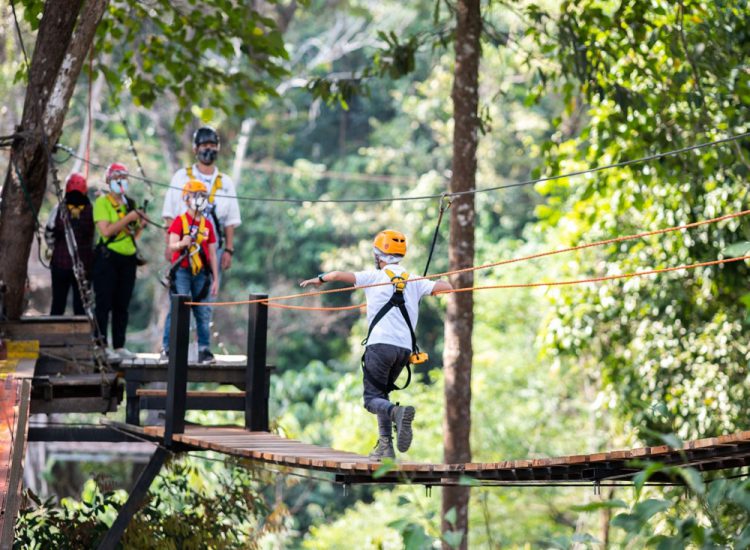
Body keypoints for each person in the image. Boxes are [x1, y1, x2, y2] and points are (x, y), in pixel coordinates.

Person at [300, 230, 452, 460]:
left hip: (380, 347)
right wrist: (433, 282)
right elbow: (446, 287)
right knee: (382, 395)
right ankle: (385, 448)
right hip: (404, 351)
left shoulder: (373, 276)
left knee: (372, 400)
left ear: (379, 255)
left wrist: (319, 279)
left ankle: (397, 413)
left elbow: (338, 275)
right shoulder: (415, 280)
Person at [161, 126, 241, 272]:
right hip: (182, 247)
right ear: (195, 149)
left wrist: (228, 250)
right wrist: (169, 245)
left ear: (218, 149)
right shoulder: (181, 177)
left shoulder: (225, 183)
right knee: (181, 291)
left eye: (212, 146)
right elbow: (169, 214)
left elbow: (230, 221)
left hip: (211, 249)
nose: (209, 149)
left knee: (208, 292)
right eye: (204, 146)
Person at [161, 180, 219, 364]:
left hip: (201, 272)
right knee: (178, 308)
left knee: (202, 311)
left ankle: (204, 350)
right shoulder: (180, 221)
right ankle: (168, 349)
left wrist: (216, 278)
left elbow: (212, 252)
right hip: (182, 272)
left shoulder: (207, 225)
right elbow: (171, 245)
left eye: (202, 196)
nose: (199, 200)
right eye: (195, 195)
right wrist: (182, 243)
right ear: (186, 199)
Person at [92, 163, 144, 361]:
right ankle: (101, 345)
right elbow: (106, 231)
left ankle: (120, 345)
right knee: (104, 302)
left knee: (122, 303)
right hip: (107, 257)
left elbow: (133, 234)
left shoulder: (129, 203)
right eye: (116, 178)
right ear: (109, 181)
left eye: (123, 178)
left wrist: (140, 223)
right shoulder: (102, 202)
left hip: (128, 258)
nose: (120, 182)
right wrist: (128, 218)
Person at [45, 172, 94, 315]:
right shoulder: (92, 210)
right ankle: (82, 335)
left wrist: (56, 248)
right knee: (82, 305)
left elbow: (49, 233)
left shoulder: (58, 209)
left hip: (60, 263)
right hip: (84, 263)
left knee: (58, 303)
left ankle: (54, 333)